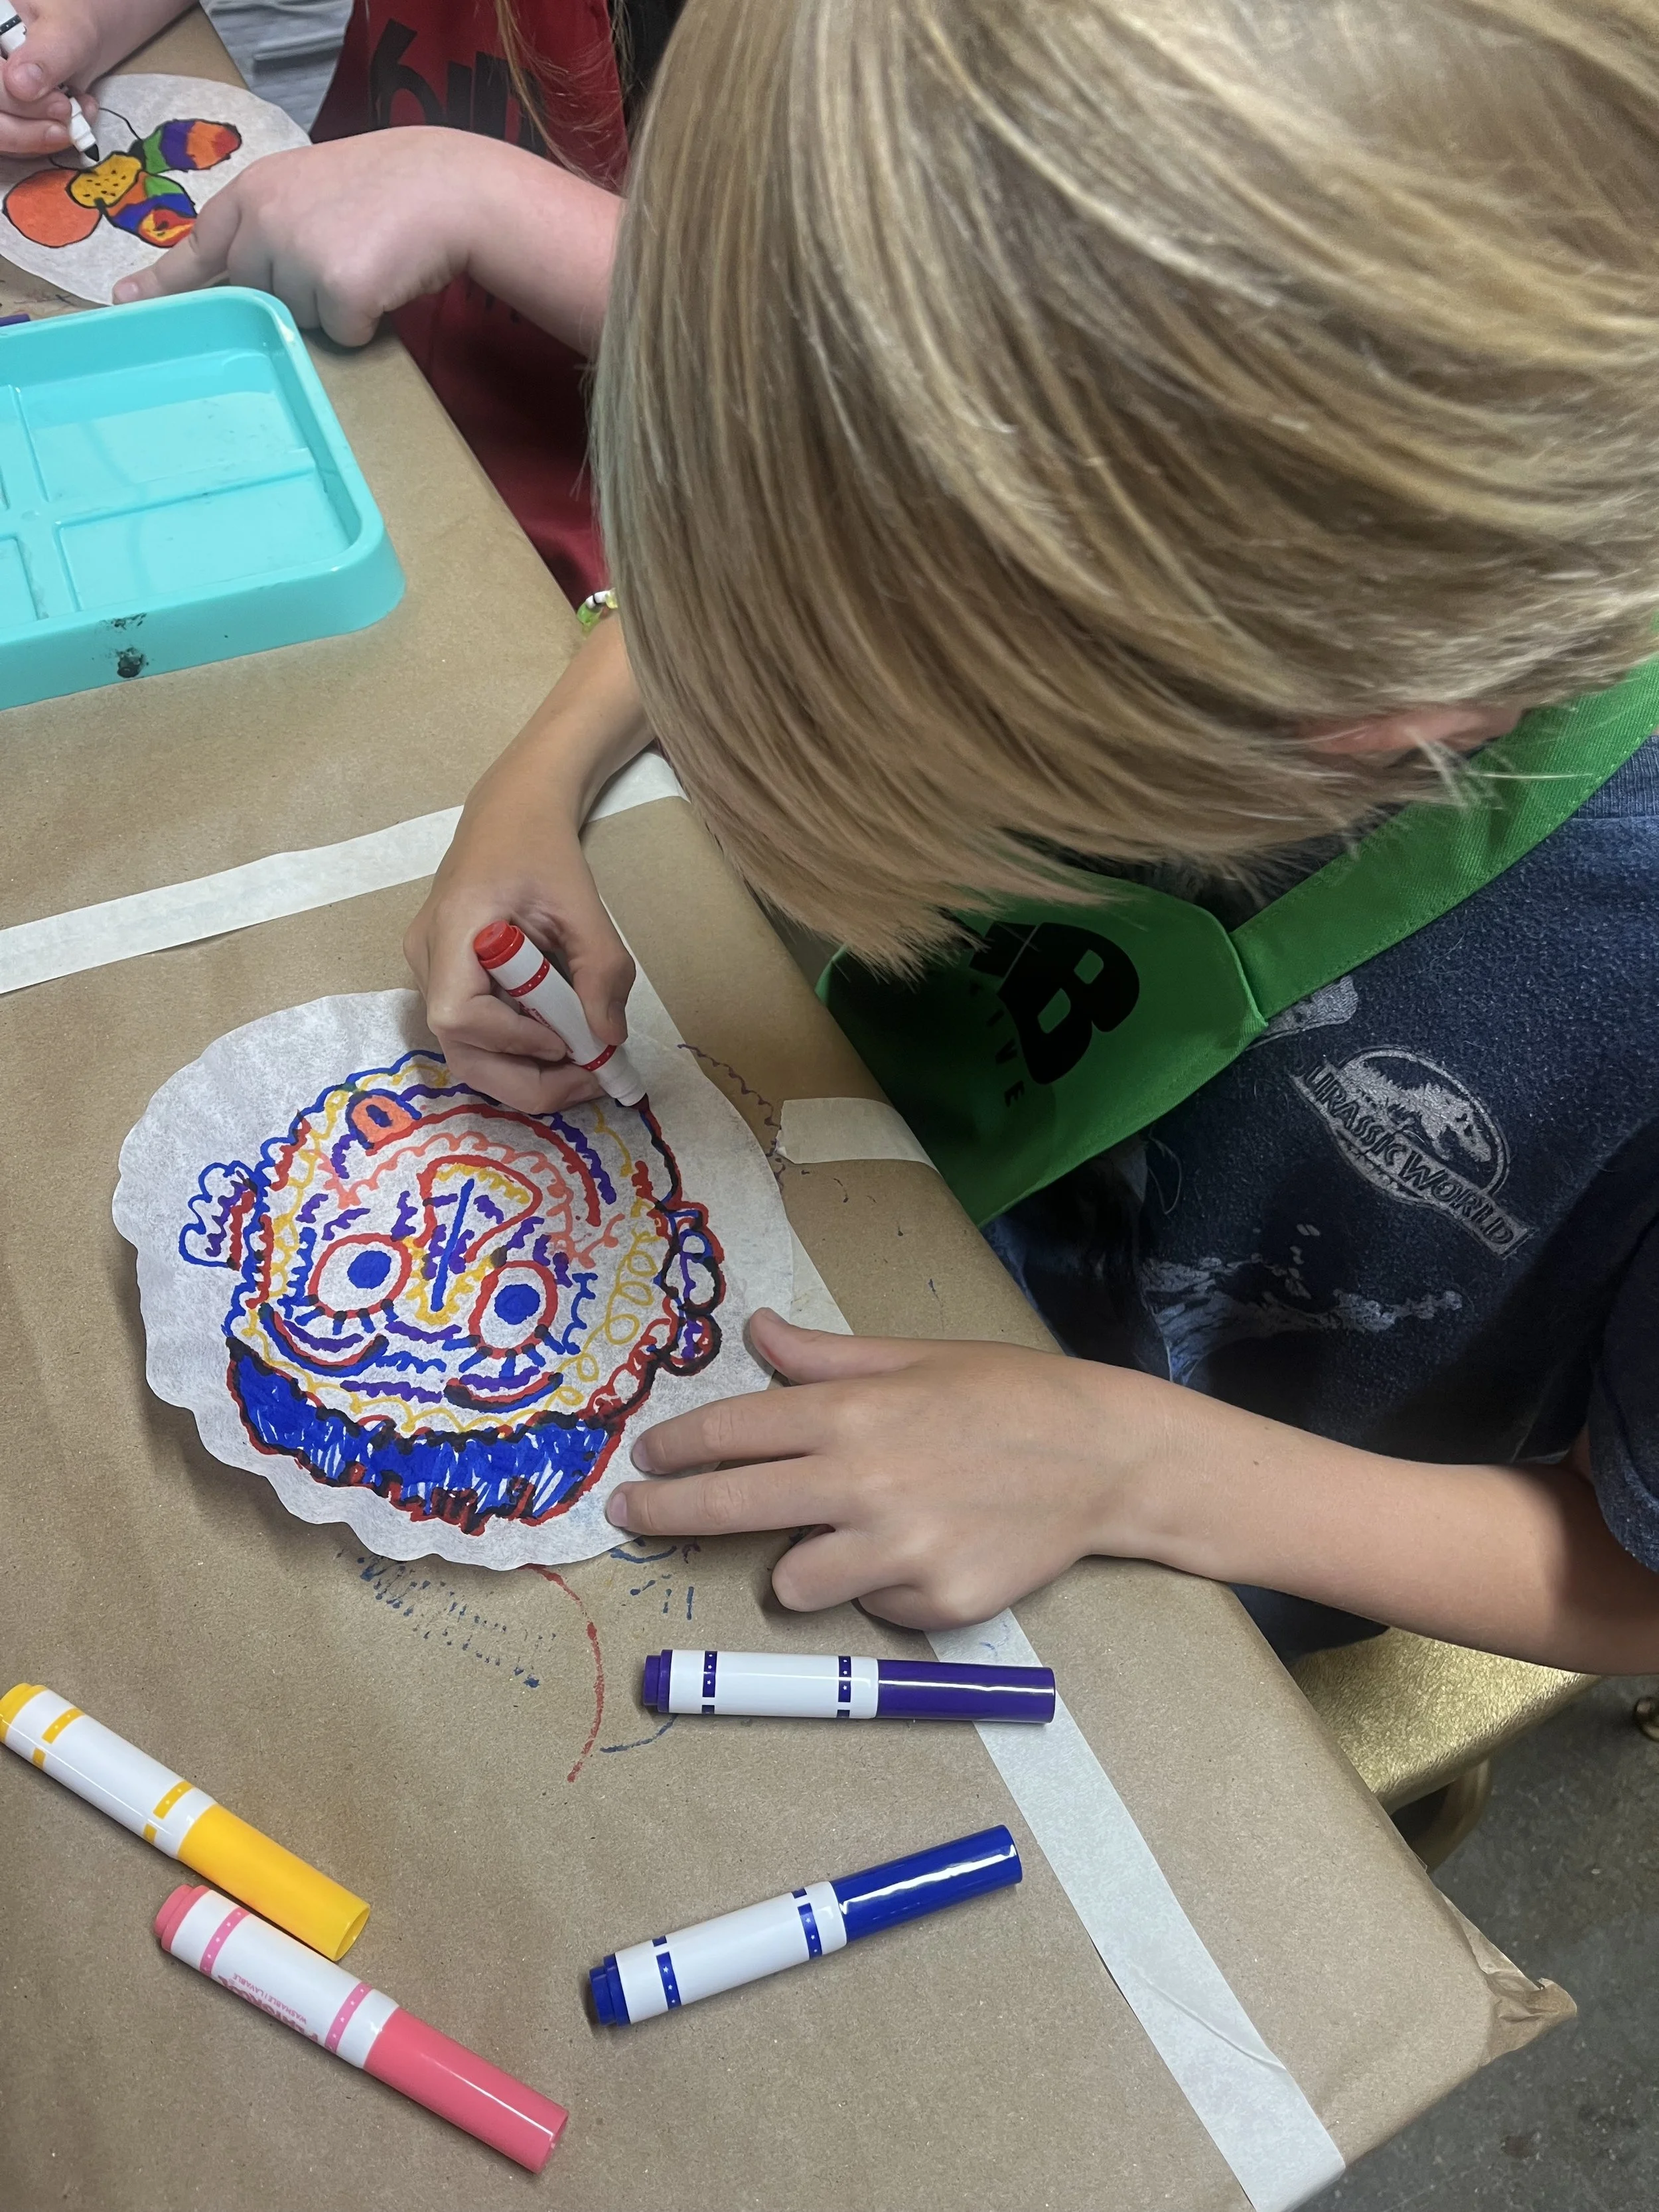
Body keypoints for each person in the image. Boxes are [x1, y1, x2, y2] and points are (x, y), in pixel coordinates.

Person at [407, 0, 1659, 1675]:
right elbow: (848, 512)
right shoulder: (1222, 543)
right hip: (875, 1244)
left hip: (1183, 1572)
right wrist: (542, 777)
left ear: (1369, 729)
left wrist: (1132, 1466)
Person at [0, 0, 684, 596]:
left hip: (646, 517)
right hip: (344, 330)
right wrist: (80, 23)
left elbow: (784, 343)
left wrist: (482, 199)